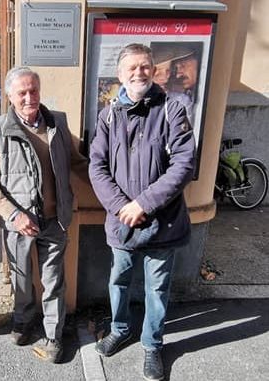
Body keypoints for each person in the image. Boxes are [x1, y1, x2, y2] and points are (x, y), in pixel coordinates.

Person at [89, 43, 195, 381]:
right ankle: (120, 329)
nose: (139, 73)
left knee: (157, 288)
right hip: (122, 223)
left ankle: (152, 344)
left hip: (163, 222)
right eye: (132, 67)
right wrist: (123, 207)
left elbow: (183, 165)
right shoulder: (107, 115)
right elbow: (97, 166)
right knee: (118, 280)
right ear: (120, 74)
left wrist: (143, 204)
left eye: (145, 66)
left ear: (153, 70)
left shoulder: (172, 109)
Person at [0, 66, 89, 363]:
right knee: (22, 279)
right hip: (19, 224)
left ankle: (54, 335)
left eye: (33, 91)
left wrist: (111, 188)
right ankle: (23, 321)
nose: (29, 97)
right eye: (22, 92)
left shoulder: (58, 124)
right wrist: (14, 214)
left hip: (56, 220)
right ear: (10, 97)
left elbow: (78, 163)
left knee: (53, 282)